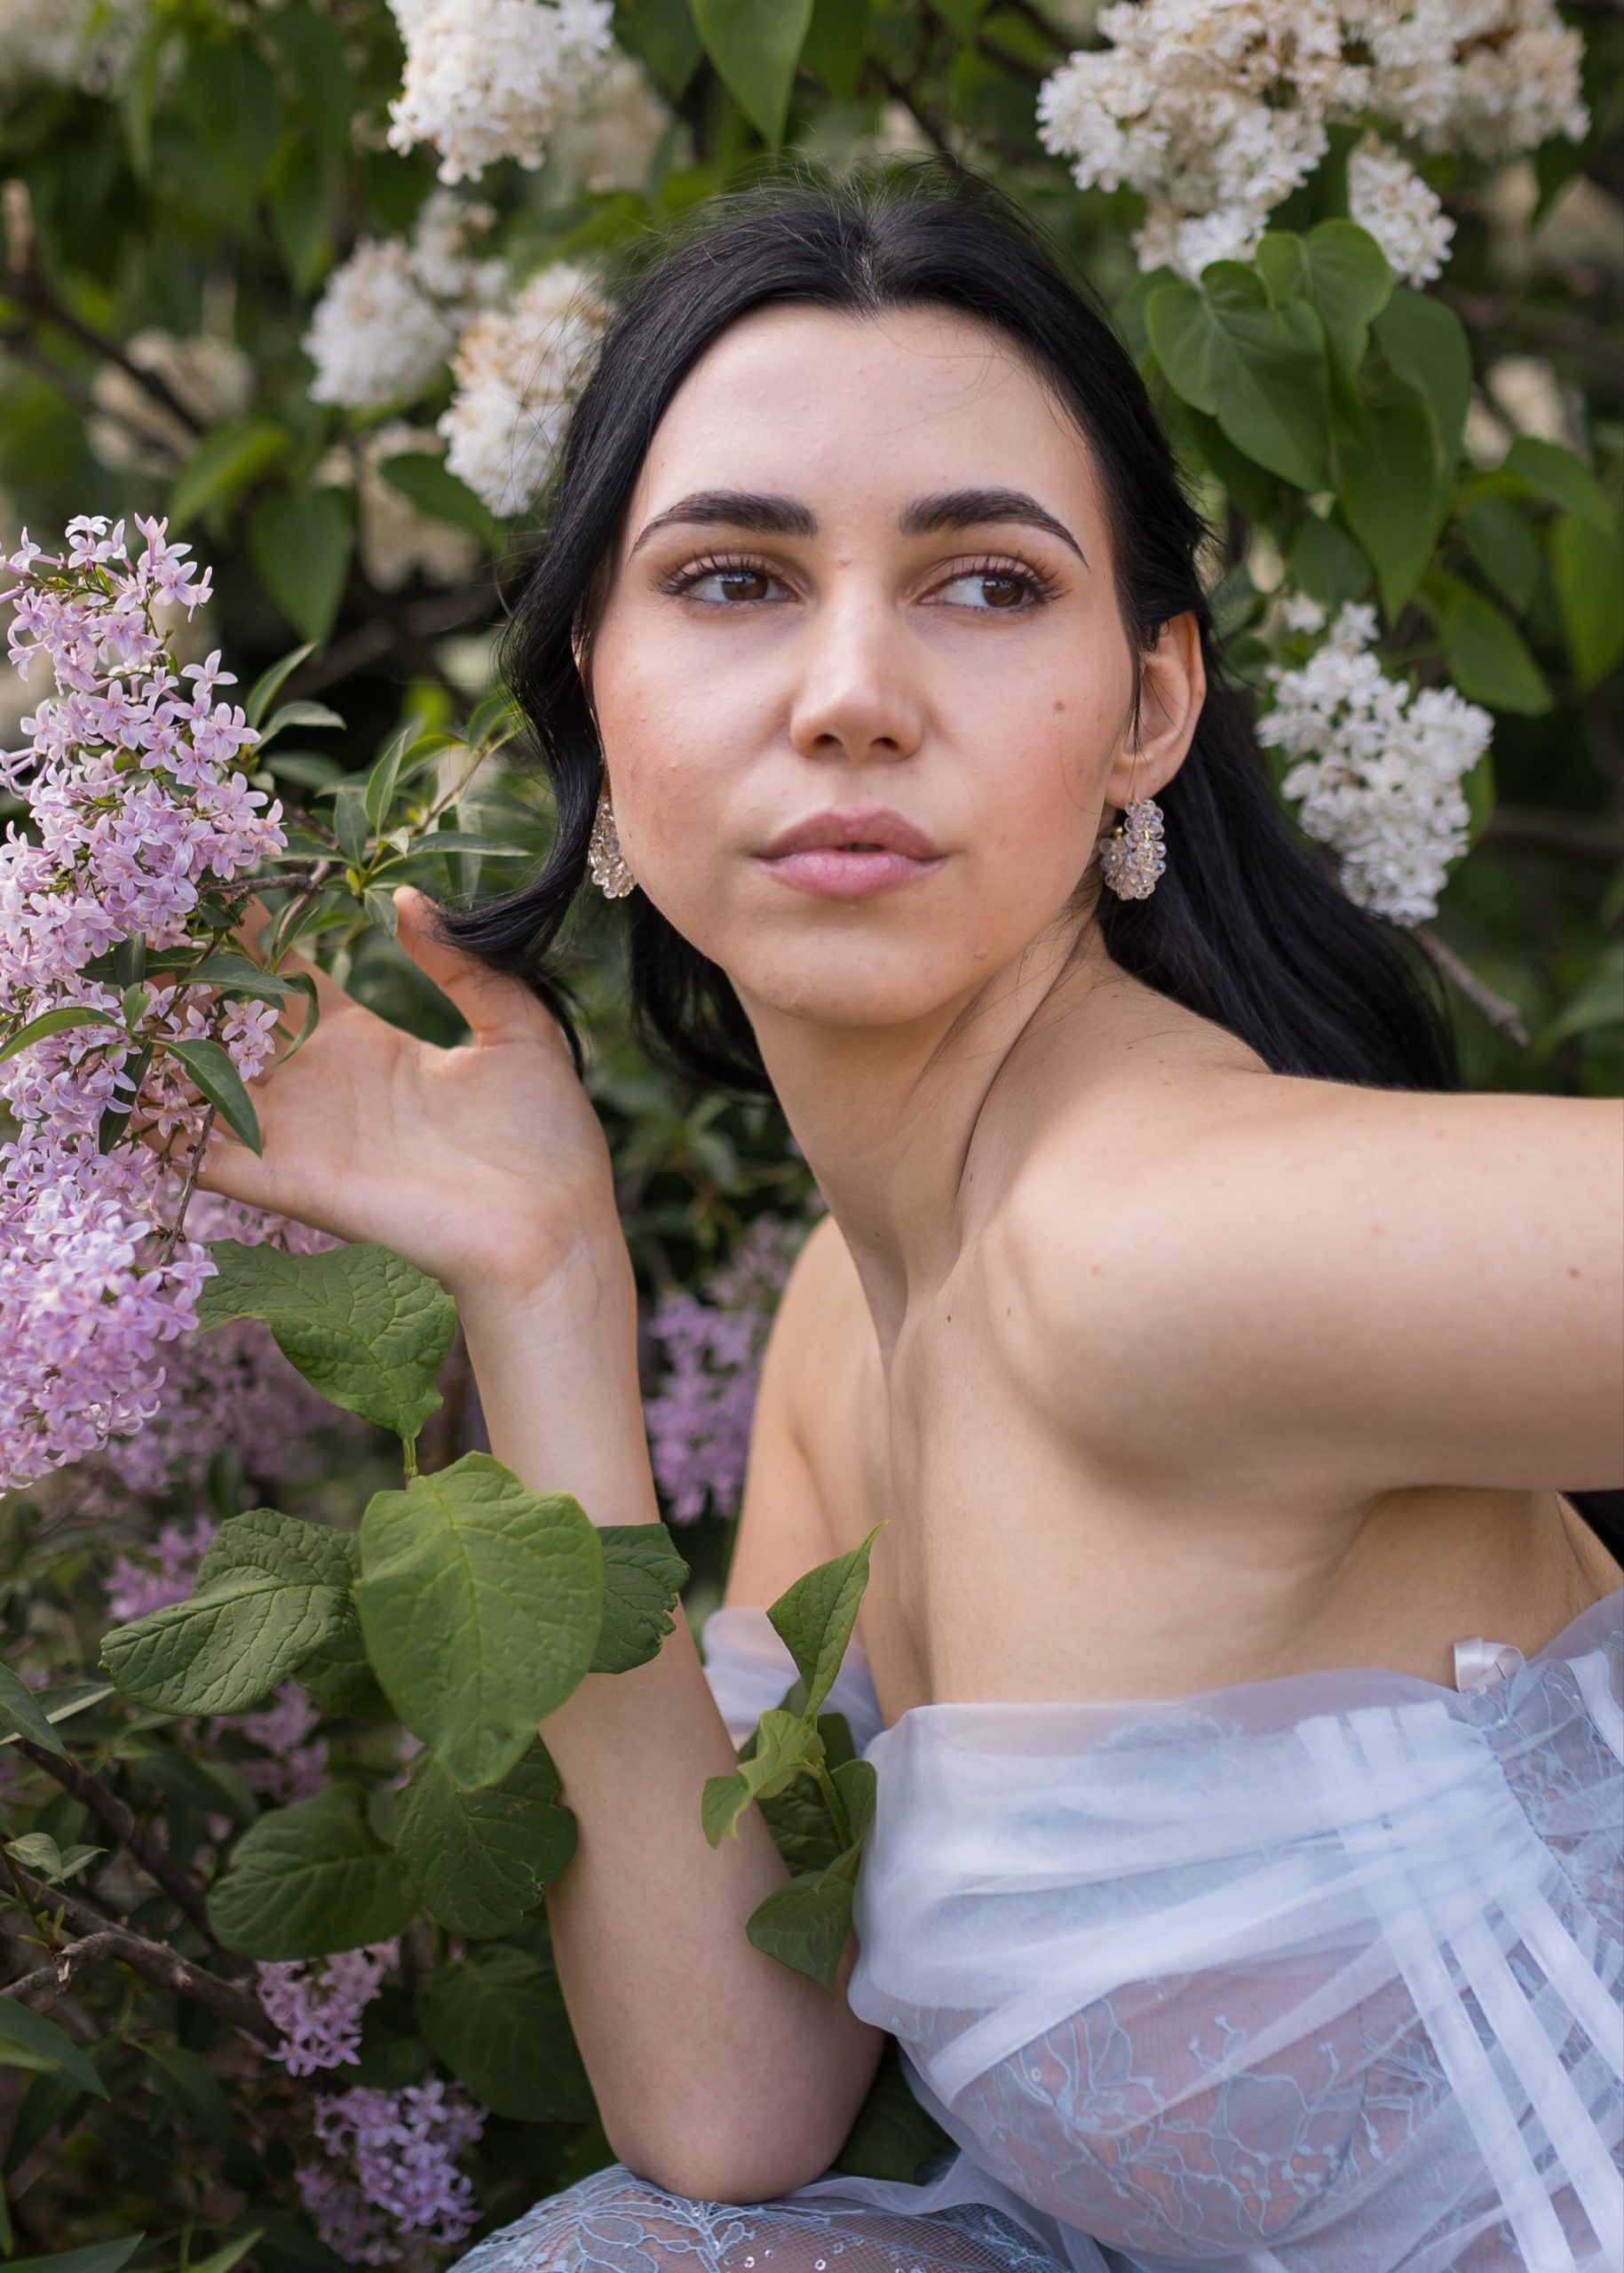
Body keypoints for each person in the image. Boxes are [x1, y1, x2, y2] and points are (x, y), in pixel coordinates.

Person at [192, 160, 1623, 2270]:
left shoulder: (1151, 1238)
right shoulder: (847, 1332)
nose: (854, 686)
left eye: (983, 584)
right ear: (591, 689)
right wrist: (544, 1276)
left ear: (1151, 709)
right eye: (735, 577)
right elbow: (727, 2098)